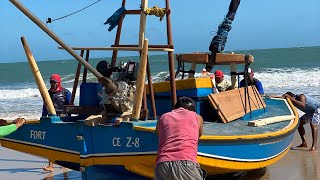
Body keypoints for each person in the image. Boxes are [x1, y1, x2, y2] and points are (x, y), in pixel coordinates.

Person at [154, 97, 205, 180]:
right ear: (193, 110)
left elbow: (158, 133)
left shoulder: (163, 117)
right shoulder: (197, 117)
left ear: (175, 108)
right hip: (186, 162)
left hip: (162, 164)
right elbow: (198, 135)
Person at [42, 74, 71, 172]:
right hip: (51, 120)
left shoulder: (66, 92)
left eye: (54, 82)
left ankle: (65, 163)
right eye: (51, 82)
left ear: (59, 82)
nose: (53, 84)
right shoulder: (47, 93)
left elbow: (70, 107)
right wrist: (43, 117)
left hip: (63, 120)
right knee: (51, 142)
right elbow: (44, 107)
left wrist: (69, 119)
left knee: (64, 142)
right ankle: (51, 165)